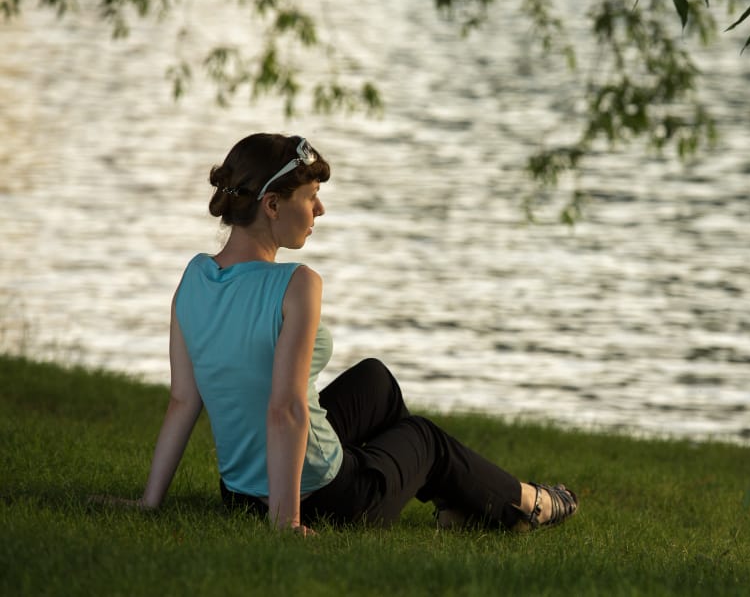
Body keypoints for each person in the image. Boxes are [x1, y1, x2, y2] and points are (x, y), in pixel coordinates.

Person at [133, 132, 578, 534]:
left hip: (240, 495)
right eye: (311, 197)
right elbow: (285, 408)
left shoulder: (195, 276)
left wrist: (150, 503)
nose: (319, 210)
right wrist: (286, 522)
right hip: (326, 498)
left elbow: (183, 400)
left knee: (375, 381)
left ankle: (459, 501)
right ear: (272, 205)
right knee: (426, 439)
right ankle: (529, 503)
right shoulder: (296, 284)